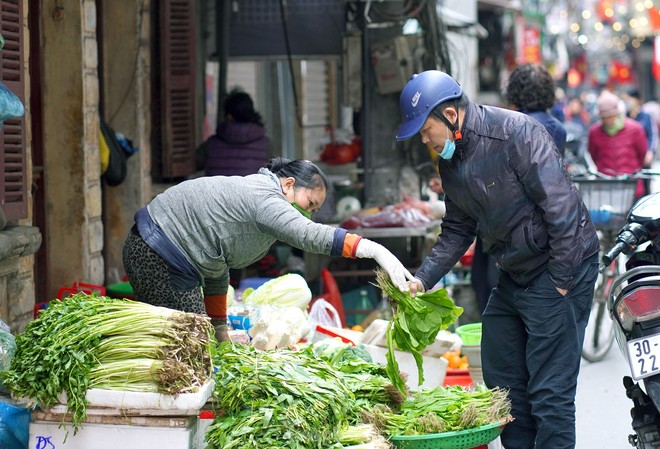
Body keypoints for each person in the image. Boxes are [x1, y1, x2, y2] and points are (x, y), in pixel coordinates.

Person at [395, 70, 599, 449]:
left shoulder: (517, 133)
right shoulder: (450, 161)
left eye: (425, 130)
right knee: (504, 381)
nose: (425, 140)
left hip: (559, 266)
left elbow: (563, 210)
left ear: (450, 116)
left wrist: (561, 282)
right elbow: (458, 229)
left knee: (549, 391)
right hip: (515, 271)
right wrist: (422, 279)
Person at [122, 157, 415, 342]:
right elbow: (309, 235)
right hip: (157, 252)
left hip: (155, 250)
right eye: (309, 204)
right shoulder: (265, 198)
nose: (309, 214)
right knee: (188, 346)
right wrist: (374, 250)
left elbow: (216, 268)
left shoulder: (261, 201)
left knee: (188, 341)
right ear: (288, 184)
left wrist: (221, 329)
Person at [588, 90, 648, 198]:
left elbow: (642, 155)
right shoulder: (594, 132)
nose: (607, 120)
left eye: (610, 116)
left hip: (631, 186)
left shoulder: (635, 129)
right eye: (604, 117)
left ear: (617, 113)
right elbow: (594, 155)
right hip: (606, 187)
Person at [196, 89, 269, 177]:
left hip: (216, 191)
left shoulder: (210, 145)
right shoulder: (266, 145)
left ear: (229, 116)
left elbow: (190, 164)